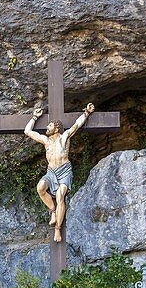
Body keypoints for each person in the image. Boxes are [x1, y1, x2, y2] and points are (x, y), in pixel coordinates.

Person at [24, 102, 95, 243]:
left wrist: (86, 113)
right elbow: (27, 131)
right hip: (51, 172)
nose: (47, 127)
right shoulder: (45, 141)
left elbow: (77, 125)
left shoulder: (64, 138)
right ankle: (53, 211)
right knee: (40, 188)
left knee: (60, 195)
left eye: (49, 126)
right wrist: (34, 117)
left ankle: (57, 229)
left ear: (56, 128)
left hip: (64, 171)